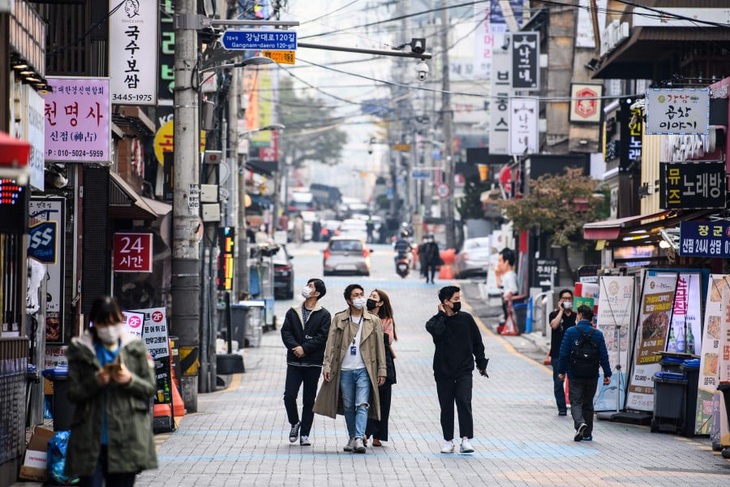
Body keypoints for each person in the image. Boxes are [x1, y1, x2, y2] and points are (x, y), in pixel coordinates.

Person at [65, 296, 157, 486]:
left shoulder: (134, 347)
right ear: (95, 323)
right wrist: (96, 381)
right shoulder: (81, 349)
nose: (109, 328)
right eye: (104, 323)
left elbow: (149, 388)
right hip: (90, 439)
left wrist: (130, 380)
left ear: (121, 319)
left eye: (114, 321)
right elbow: (73, 394)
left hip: (127, 437)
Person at [313, 284, 387, 454]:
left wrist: (382, 369)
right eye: (356, 295)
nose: (361, 298)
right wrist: (327, 365)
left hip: (364, 369)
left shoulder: (373, 321)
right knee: (348, 406)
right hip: (344, 369)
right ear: (348, 300)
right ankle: (353, 436)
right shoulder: (339, 319)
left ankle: (360, 438)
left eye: (362, 294)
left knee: (362, 404)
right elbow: (330, 344)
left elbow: (379, 347)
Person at [426, 286, 489, 454]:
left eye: (459, 298)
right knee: (446, 406)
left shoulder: (467, 319)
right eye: (455, 299)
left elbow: (477, 342)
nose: (458, 302)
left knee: (463, 401)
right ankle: (448, 440)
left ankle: (465, 439)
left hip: (464, 370)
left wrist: (481, 364)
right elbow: (437, 333)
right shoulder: (434, 322)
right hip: (443, 371)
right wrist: (441, 315)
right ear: (446, 302)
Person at [280, 278, 331, 446]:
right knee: (289, 396)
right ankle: (295, 422)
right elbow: (286, 331)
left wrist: (305, 349)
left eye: (310, 286)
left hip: (313, 363)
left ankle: (305, 434)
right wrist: (295, 347)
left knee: (309, 400)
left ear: (317, 293)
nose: (306, 288)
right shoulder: (293, 311)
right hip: (294, 362)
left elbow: (322, 337)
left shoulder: (324, 315)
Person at [557, 305, 612, 442]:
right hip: (592, 374)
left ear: (580, 315)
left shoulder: (571, 332)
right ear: (591, 318)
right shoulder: (598, 334)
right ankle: (587, 434)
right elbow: (603, 355)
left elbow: (563, 354)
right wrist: (607, 374)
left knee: (576, 402)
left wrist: (561, 371)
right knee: (588, 403)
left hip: (575, 374)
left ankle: (580, 423)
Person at [364, 289, 397, 447]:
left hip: (384, 362)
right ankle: (365, 432)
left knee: (384, 401)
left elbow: (388, 339)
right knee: (367, 399)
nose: (370, 299)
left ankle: (378, 436)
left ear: (381, 303)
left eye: (374, 297)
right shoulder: (362, 316)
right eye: (370, 296)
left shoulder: (386, 320)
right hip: (365, 362)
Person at [549, 289, 577, 416]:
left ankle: (574, 406)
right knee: (558, 382)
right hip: (557, 354)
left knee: (574, 382)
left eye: (569, 299)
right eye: (564, 299)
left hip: (573, 355)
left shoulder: (576, 316)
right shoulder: (554, 314)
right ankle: (562, 408)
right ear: (560, 300)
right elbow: (554, 326)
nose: (567, 301)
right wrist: (560, 310)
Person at [495, 247, 518, 325]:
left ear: (506, 262)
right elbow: (500, 286)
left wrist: (508, 295)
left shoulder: (510, 276)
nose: (498, 264)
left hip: (509, 306)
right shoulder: (506, 276)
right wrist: (497, 275)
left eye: (500, 261)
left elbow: (514, 289)